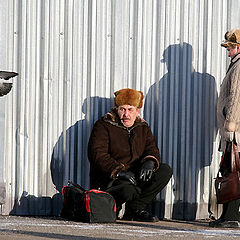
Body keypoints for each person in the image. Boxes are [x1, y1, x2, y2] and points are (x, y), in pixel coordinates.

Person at [88, 88, 173, 222]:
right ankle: (111, 207)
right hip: (111, 178)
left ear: (137, 111)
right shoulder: (103, 125)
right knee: (128, 190)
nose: (126, 114)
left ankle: (135, 209)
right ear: (116, 109)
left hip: (134, 175)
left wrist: (149, 162)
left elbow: (152, 149)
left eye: (130, 109)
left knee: (164, 170)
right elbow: (97, 155)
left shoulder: (142, 127)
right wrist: (119, 172)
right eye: (122, 109)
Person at [209, 28, 240, 228]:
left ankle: (231, 217)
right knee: (232, 170)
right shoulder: (235, 64)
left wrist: (230, 126)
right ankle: (229, 215)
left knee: (233, 172)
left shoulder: (239, 66)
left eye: (230, 47)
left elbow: (236, 97)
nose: (227, 51)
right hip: (234, 129)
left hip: (235, 130)